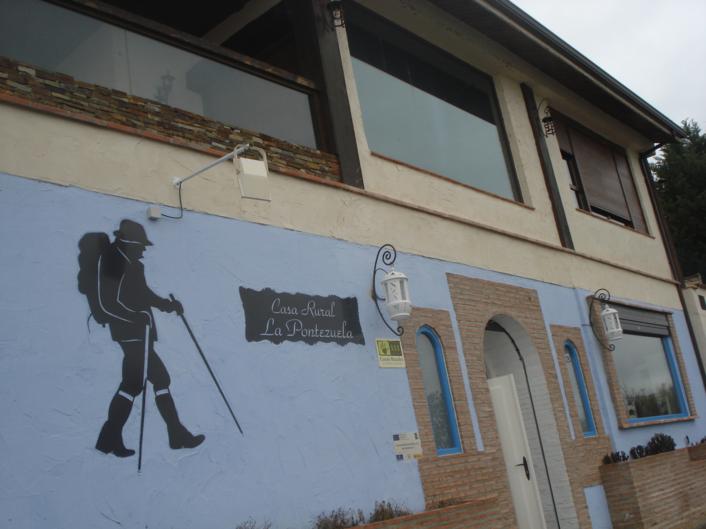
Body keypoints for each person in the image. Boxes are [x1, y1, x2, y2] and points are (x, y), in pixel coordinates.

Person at [95, 219, 204, 457]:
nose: (144, 250)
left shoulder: (133, 264)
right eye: (141, 245)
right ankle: (174, 435)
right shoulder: (113, 260)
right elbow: (108, 301)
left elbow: (143, 294)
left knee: (142, 382)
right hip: (129, 332)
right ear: (130, 243)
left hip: (141, 332)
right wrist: (135, 317)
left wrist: (167, 305)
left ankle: (110, 439)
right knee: (147, 381)